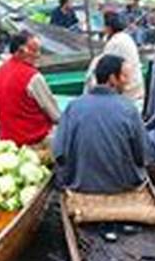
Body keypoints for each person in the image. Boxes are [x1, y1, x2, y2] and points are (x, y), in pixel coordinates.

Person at [53, 54, 149, 195]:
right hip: (123, 184)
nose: (127, 82)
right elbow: (142, 156)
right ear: (112, 79)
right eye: (124, 77)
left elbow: (59, 152)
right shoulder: (129, 109)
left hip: (79, 184)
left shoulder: (73, 107)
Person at [0, 31, 60, 147]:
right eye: (34, 51)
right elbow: (55, 114)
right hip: (33, 138)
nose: (38, 55)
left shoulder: (0, 70)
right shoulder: (33, 77)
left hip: (8, 138)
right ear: (21, 51)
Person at [87, 11, 144, 103]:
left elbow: (105, 66)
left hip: (129, 89)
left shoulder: (116, 42)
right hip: (132, 84)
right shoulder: (125, 37)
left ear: (109, 28)